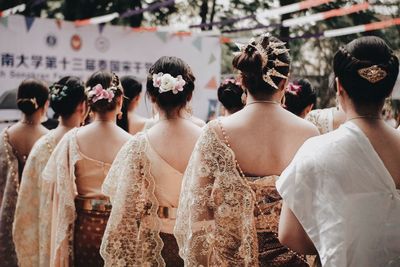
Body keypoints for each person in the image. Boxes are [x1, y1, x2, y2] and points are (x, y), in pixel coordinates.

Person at [174, 34, 318, 266]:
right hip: (294, 258)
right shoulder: (309, 133)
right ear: (284, 82)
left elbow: (197, 208)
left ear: (242, 80)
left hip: (232, 257)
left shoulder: (216, 131)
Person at [277, 36, 400, 267]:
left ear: (339, 86)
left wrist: (340, 240)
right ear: (390, 89)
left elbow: (288, 234)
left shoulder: (317, 151)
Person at [100, 56, 202, 266]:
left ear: (152, 97)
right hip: (197, 242)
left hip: (155, 243)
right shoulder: (206, 139)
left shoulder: (139, 144)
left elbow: (126, 207)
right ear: (189, 95)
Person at [40, 71, 131, 266]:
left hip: (85, 228)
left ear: (88, 102)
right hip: (121, 229)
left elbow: (57, 186)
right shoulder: (133, 143)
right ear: (120, 101)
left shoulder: (72, 139)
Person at [13, 76, 87, 267]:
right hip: (84, 239)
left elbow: (26, 209)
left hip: (48, 240)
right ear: (82, 106)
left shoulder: (41, 146)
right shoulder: (86, 143)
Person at [0, 79, 49, 266]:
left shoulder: (4, 137)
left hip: (7, 216)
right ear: (46, 104)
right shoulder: (49, 139)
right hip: (38, 218)